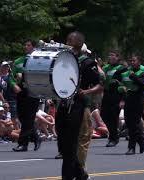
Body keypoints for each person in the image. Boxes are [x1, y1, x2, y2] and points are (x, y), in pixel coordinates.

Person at [55, 31, 102, 180]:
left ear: (79, 43)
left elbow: (100, 85)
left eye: (70, 40)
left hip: (77, 106)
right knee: (63, 144)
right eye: (67, 39)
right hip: (62, 104)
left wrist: (86, 91)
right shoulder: (62, 59)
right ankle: (80, 173)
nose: (67, 42)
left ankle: (68, 177)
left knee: (70, 145)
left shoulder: (87, 62)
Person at [116, 54, 144, 155]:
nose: (132, 62)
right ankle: (141, 140)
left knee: (134, 124)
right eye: (131, 61)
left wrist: (133, 76)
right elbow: (120, 82)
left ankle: (132, 148)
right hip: (128, 99)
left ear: (139, 62)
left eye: (134, 61)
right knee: (129, 123)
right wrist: (120, 88)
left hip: (138, 100)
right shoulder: (126, 72)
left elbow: (143, 83)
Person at [12, 40, 41, 152]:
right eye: (25, 44)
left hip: (33, 90)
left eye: (28, 45)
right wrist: (13, 84)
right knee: (22, 117)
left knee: (29, 117)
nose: (25, 46)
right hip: (21, 91)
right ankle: (36, 137)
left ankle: (23, 144)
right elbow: (11, 76)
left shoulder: (38, 61)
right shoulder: (19, 61)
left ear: (33, 47)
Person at [101, 49, 125, 147]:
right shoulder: (105, 68)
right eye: (109, 55)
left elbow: (125, 84)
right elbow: (102, 80)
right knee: (104, 115)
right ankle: (114, 133)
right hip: (107, 94)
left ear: (118, 57)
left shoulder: (122, 68)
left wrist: (123, 99)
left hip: (117, 95)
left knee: (113, 117)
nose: (110, 57)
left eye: (113, 55)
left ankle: (113, 138)